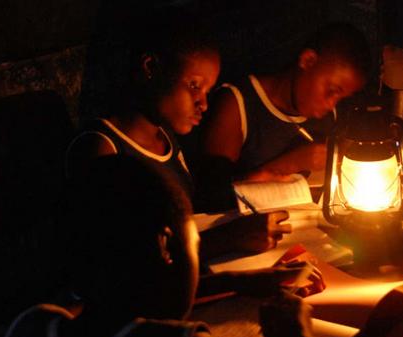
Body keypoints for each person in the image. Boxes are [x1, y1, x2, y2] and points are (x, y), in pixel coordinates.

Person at [0, 156, 363, 337]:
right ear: (167, 246)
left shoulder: (27, 331)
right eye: (194, 245)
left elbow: (110, 299)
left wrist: (233, 282)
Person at [66, 5, 290, 257]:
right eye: (194, 85)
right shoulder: (102, 148)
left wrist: (247, 184)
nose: (203, 104)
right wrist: (225, 240)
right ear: (150, 68)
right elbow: (116, 259)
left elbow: (186, 214)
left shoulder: (166, 138)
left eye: (207, 91)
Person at [187, 21, 370, 212]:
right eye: (332, 91)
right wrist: (292, 163)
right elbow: (211, 197)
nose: (332, 104)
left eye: (341, 98)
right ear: (308, 61)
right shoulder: (237, 104)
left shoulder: (328, 117)